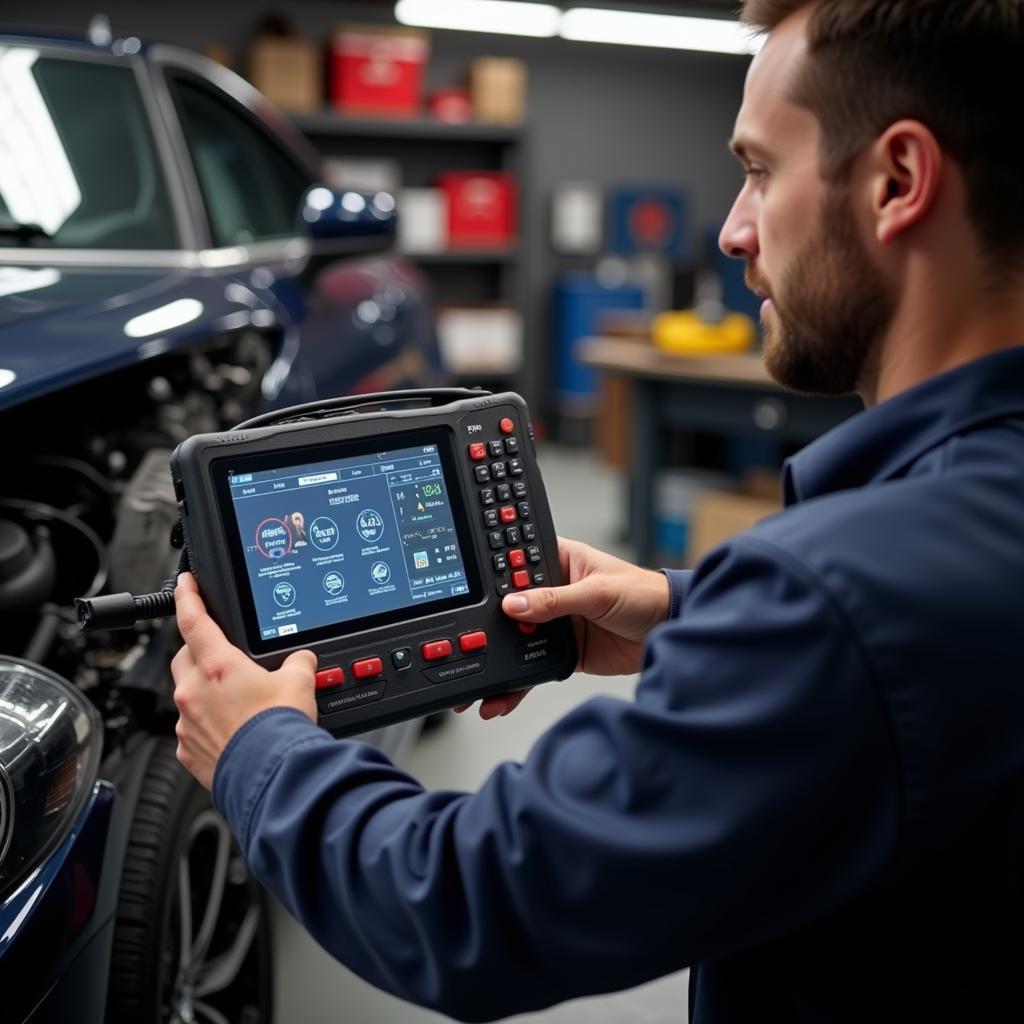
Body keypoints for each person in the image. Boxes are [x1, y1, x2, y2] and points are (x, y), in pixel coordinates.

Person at [171, 2, 1024, 1019]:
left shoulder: (840, 599)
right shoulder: (950, 533)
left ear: (896, 181)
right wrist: (687, 608)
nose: (732, 231)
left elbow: (469, 903)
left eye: (757, 170)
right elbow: (929, 657)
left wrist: (258, 750)